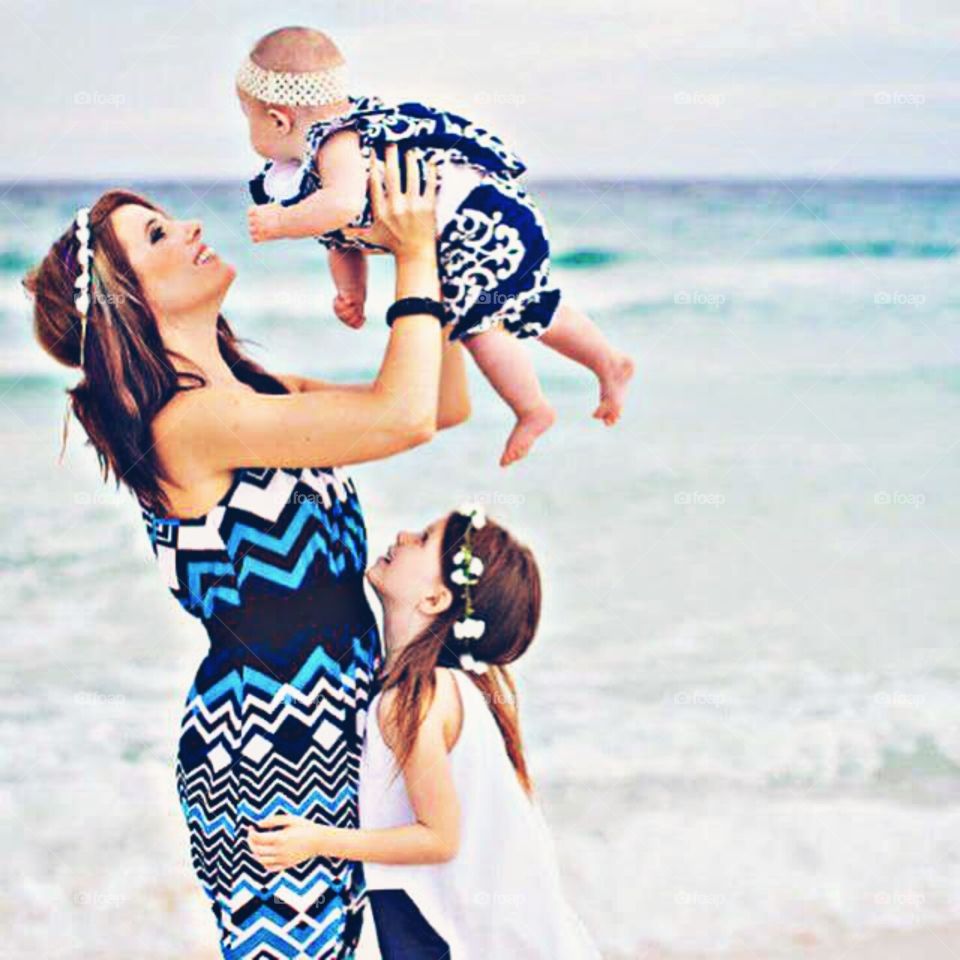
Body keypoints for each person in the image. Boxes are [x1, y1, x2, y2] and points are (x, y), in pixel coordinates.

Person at [25, 147, 468, 960]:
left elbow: (439, 405)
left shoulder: (260, 393)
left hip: (342, 726)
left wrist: (444, 258)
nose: (191, 227)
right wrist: (411, 255)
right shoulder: (185, 424)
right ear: (133, 300)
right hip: (266, 752)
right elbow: (402, 419)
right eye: (158, 236)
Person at [240, 26, 634, 467]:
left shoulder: (337, 143)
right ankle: (607, 360)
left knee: (476, 324)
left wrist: (280, 221)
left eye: (247, 118)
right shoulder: (326, 162)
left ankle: (531, 408)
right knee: (529, 302)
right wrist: (353, 292)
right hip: (497, 213)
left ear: (277, 118)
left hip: (476, 220)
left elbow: (342, 204)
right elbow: (341, 237)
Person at [249, 503, 600, 959]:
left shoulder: (414, 702)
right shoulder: (461, 689)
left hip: (458, 935)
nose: (401, 535)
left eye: (421, 539)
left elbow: (439, 837)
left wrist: (316, 840)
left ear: (435, 600)